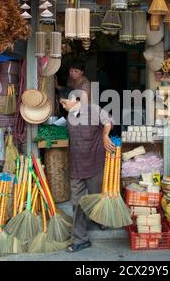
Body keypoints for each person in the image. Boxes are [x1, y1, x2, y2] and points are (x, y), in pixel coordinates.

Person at [58, 87, 115, 252]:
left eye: (64, 102)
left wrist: (105, 135)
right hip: (76, 166)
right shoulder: (69, 117)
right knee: (77, 203)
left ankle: (101, 220)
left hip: (94, 163)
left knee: (97, 197)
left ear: (74, 99)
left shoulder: (93, 110)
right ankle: (80, 239)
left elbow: (108, 122)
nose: (63, 106)